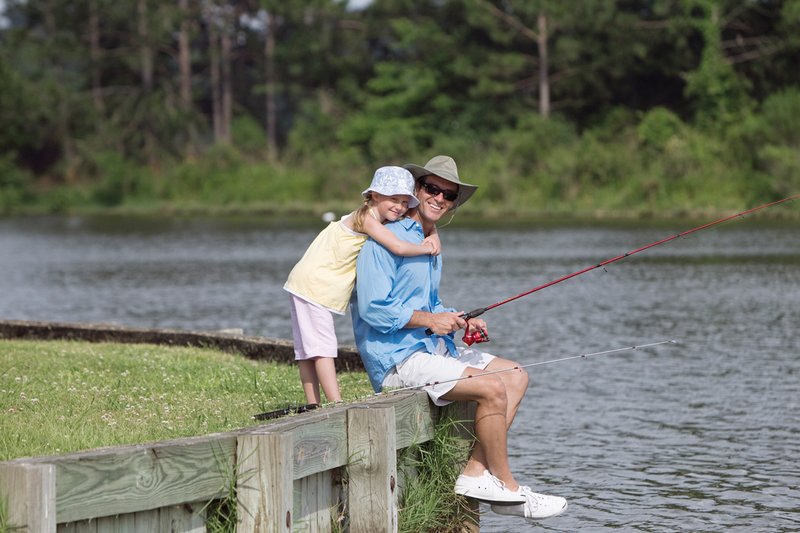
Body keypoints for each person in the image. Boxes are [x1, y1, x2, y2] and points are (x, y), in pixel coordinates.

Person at [350, 155, 568, 521]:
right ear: (416, 192)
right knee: (492, 388)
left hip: (429, 349)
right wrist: (429, 320)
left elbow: (430, 304)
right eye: (431, 188)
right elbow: (374, 310)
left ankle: (474, 474)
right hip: (397, 360)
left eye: (448, 194)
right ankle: (510, 488)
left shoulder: (431, 243)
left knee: (515, 375)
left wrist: (459, 320)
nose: (438, 197)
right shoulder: (384, 241)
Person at [284, 166, 440, 405]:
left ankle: (313, 403)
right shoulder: (368, 220)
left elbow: (423, 223)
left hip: (306, 282)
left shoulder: (364, 215)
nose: (399, 207)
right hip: (314, 286)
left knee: (307, 349)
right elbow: (397, 247)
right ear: (375, 195)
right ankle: (336, 404)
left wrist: (434, 234)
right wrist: (425, 248)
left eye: (403, 202)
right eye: (393, 200)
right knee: (323, 347)